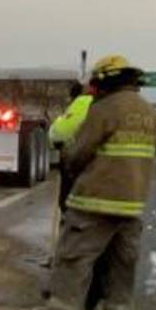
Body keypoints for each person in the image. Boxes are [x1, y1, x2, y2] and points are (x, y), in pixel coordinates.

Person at [34, 54, 156, 310]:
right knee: (121, 260)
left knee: (75, 253)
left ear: (104, 80)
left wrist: (67, 160)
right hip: (133, 201)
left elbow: (80, 151)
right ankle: (117, 309)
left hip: (96, 198)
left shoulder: (104, 109)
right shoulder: (150, 113)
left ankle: (64, 306)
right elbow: (154, 155)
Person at [49, 82, 94, 212]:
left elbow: (59, 132)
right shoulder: (109, 104)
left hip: (78, 160)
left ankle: (66, 214)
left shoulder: (81, 103)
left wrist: (55, 142)